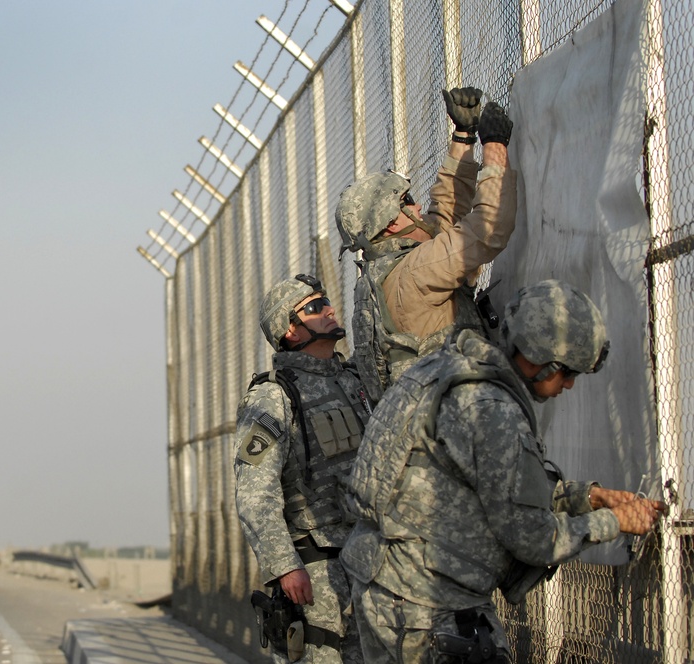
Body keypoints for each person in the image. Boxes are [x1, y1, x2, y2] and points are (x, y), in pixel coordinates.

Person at [338, 279, 666, 663]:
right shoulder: (494, 411)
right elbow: (535, 539)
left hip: (384, 583)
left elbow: (493, 483)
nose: (571, 385)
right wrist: (614, 522)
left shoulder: (444, 369)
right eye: (568, 373)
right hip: (428, 606)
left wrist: (588, 497)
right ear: (541, 361)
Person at [335, 87, 516, 398]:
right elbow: (487, 230)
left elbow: (443, 219)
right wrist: (495, 148)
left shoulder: (389, 273)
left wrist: (463, 137)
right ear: (391, 223)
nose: (418, 208)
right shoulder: (413, 273)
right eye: (408, 201)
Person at [234, 273, 374, 663]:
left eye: (326, 301)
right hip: (316, 573)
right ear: (290, 331)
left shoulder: (358, 380)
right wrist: (284, 567)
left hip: (373, 560)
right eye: (313, 308)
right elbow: (254, 495)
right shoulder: (272, 396)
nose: (329, 309)